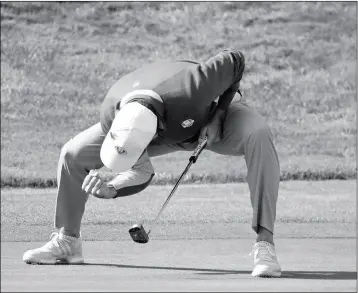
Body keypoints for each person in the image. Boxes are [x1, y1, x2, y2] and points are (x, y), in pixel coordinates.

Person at [23, 48, 281, 277]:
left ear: (155, 132)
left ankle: (265, 243)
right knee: (73, 153)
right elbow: (143, 171)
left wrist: (219, 114)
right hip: (160, 122)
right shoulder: (112, 113)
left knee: (258, 134)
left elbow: (235, 59)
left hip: (207, 118)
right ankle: (68, 241)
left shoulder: (196, 85)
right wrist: (112, 187)